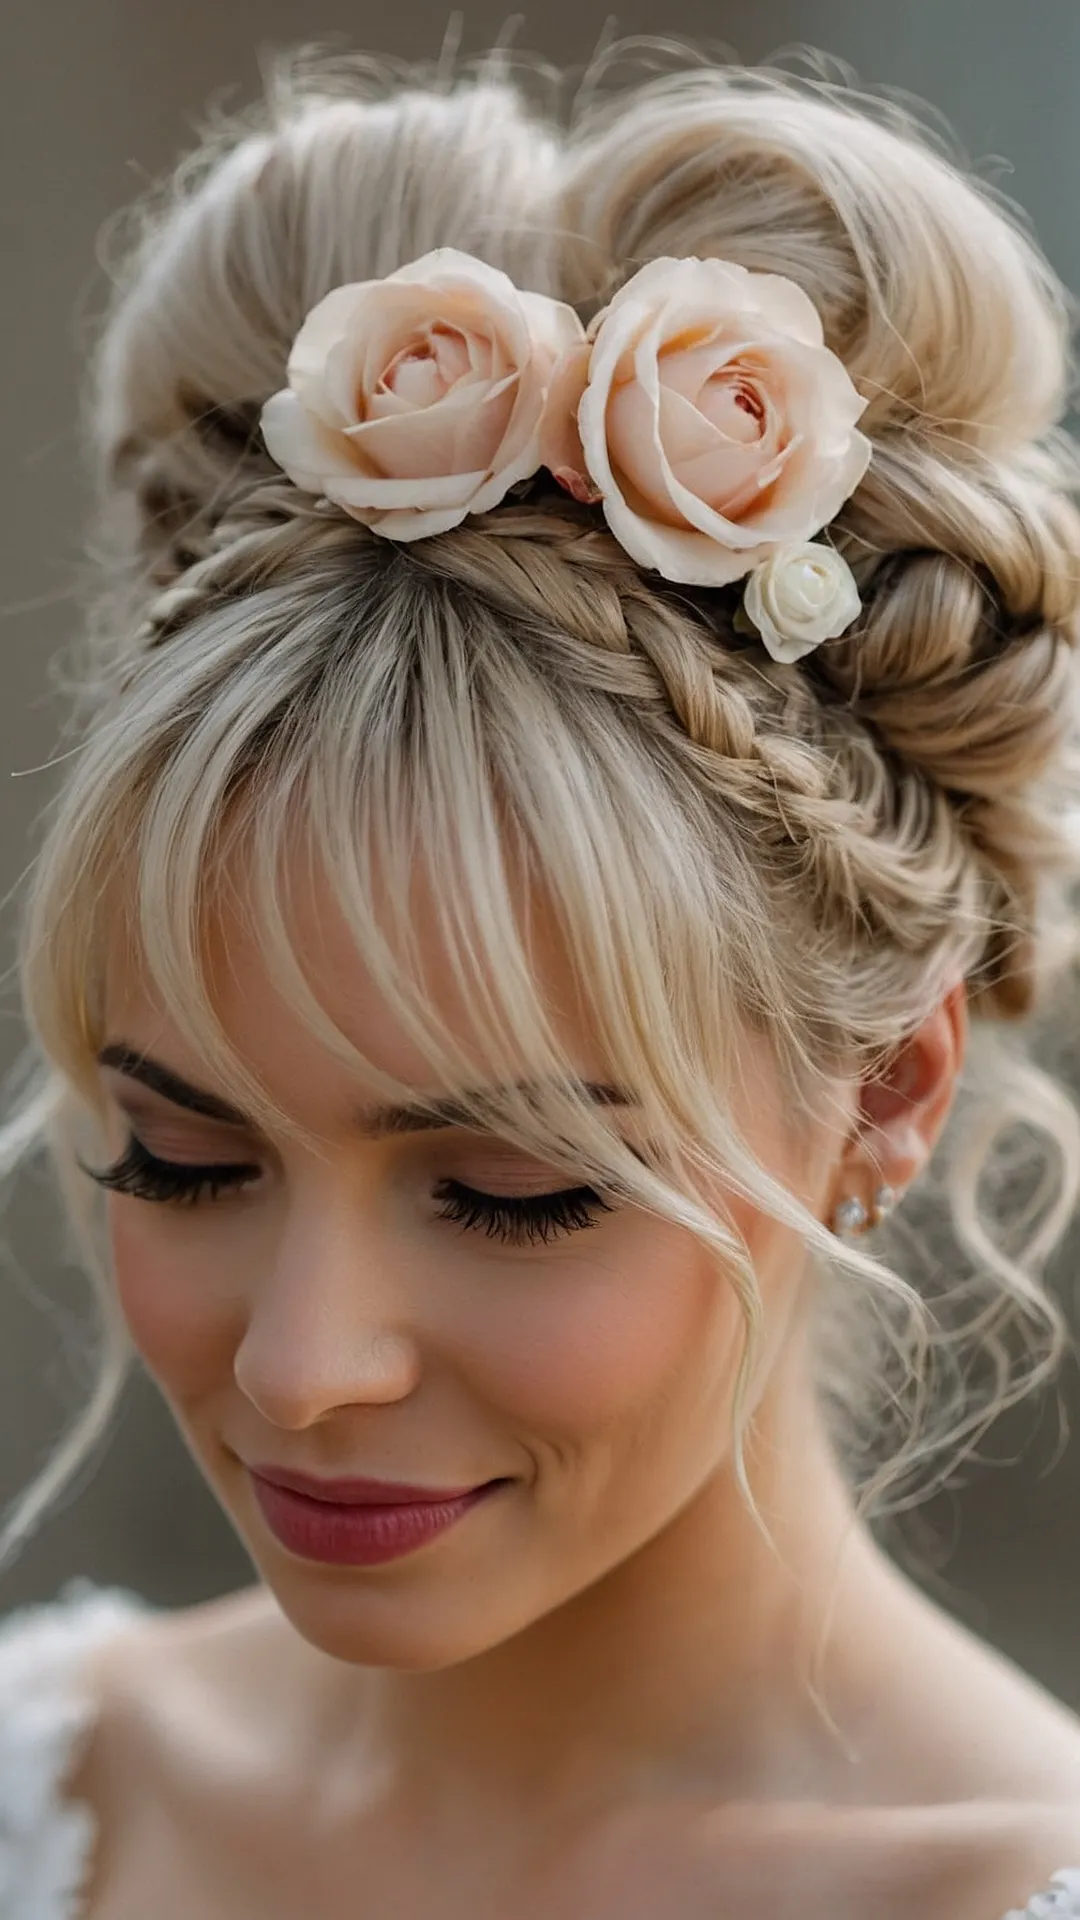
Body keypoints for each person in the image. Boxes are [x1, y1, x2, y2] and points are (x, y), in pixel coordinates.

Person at [1, 34, 1080, 1920]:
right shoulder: (46, 1783)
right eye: (183, 1159)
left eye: (512, 1194)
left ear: (887, 1092)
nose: (300, 1366)